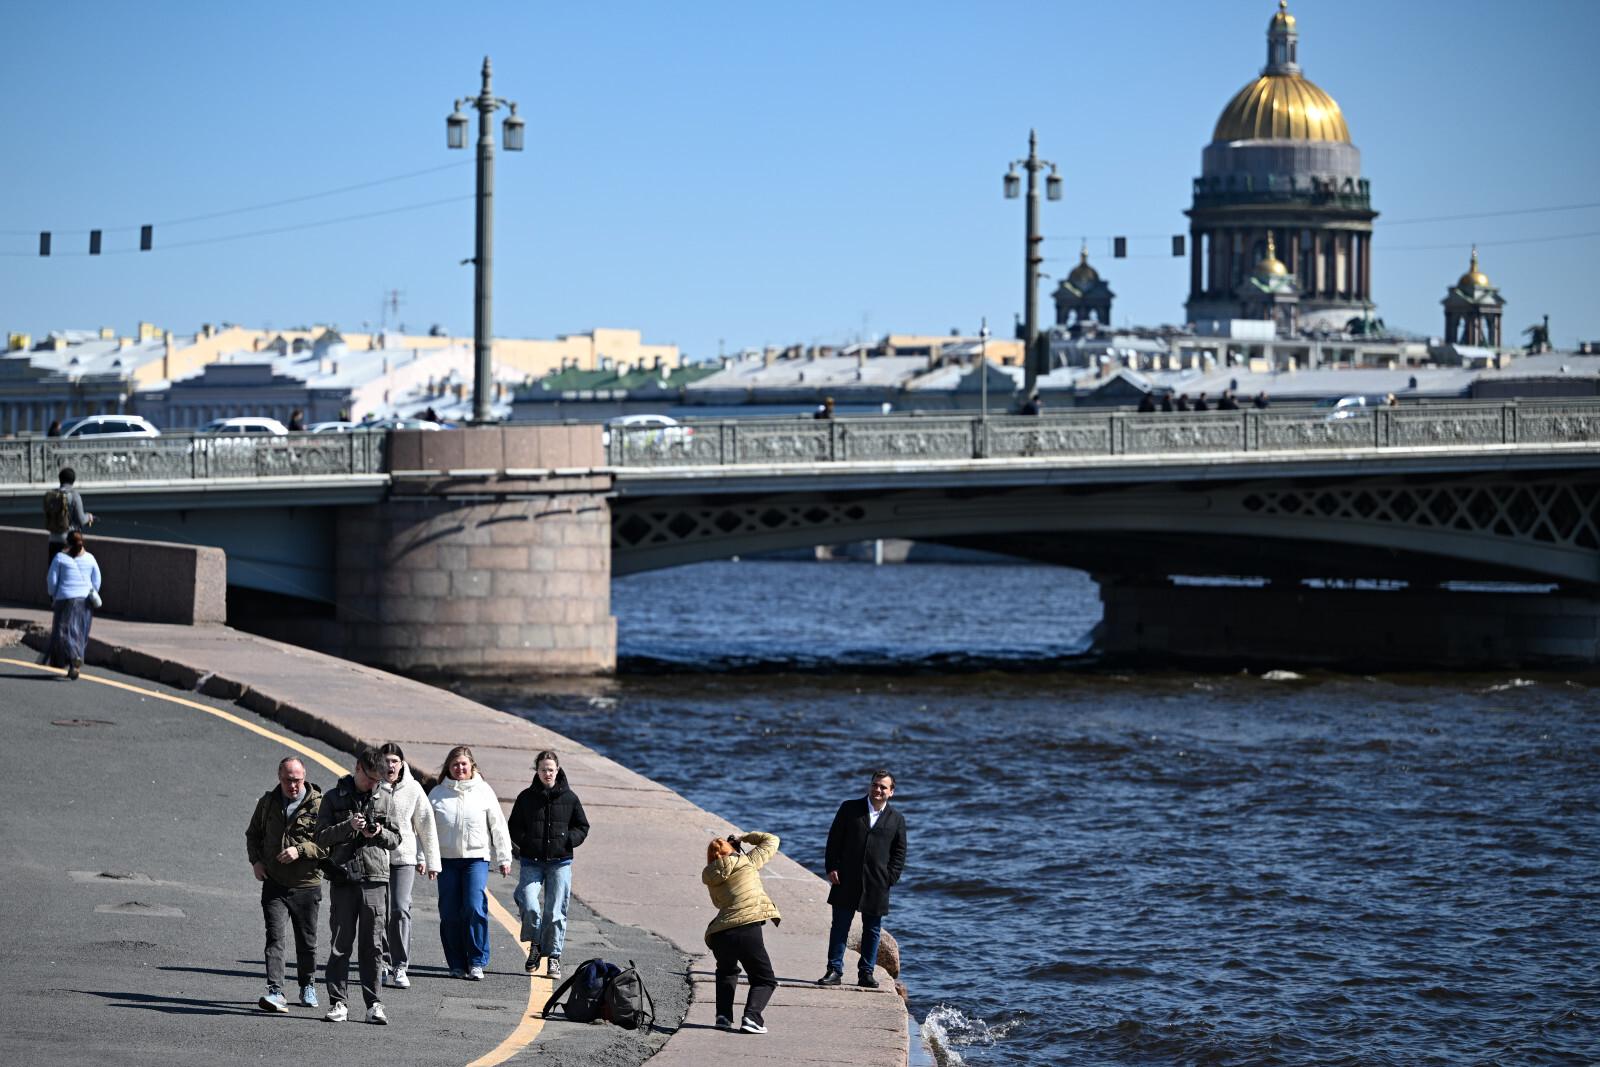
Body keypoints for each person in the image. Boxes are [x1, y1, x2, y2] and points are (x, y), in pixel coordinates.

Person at [314, 747, 400, 1025]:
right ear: (358, 768)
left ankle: (374, 1003)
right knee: (340, 944)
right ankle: (338, 1001)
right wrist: (348, 826)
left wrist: (377, 833)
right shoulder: (332, 797)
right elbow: (320, 838)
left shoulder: (385, 798)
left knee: (373, 946)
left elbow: (396, 838)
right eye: (370, 779)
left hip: (375, 877)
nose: (374, 785)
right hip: (343, 877)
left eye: (378, 781)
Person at [245, 757, 325, 1013]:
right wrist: (256, 862)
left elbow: (328, 844)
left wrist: (300, 850)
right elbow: (253, 834)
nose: (293, 785)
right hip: (274, 884)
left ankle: (307, 984)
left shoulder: (320, 805)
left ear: (305, 776)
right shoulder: (268, 803)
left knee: (306, 942)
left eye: (297, 780)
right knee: (275, 938)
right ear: (279, 777)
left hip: (307, 885)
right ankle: (276, 991)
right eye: (288, 780)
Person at [429, 745, 512, 981]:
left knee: (474, 907)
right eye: (455, 765)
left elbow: (498, 826)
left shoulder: (484, 791)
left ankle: (476, 961)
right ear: (448, 767)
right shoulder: (437, 793)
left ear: (472, 766)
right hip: (446, 861)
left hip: (476, 859)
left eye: (464, 764)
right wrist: (424, 858)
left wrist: (504, 857)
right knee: (449, 912)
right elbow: (424, 830)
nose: (459, 768)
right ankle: (456, 963)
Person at [818, 770, 907, 989]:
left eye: (883, 787)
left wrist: (890, 877)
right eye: (875, 785)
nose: (878, 790)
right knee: (840, 926)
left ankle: (866, 973)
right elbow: (834, 841)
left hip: (877, 882)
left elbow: (899, 852)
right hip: (846, 877)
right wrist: (832, 867)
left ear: (891, 792)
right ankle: (834, 970)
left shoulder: (896, 819)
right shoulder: (849, 808)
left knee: (872, 929)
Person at [508, 750, 590, 982]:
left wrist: (568, 840)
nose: (547, 774)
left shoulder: (570, 798)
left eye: (551, 770)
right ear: (537, 771)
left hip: (560, 862)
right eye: (543, 769)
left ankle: (553, 956)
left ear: (558, 770)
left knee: (555, 912)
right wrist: (526, 842)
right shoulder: (525, 797)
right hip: (531, 861)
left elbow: (582, 826)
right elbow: (514, 826)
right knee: (529, 902)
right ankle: (536, 943)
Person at [703, 831, 782, 1035]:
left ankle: (723, 1017)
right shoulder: (747, 862)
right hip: (747, 928)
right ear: (732, 850)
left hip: (720, 932)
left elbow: (718, 903)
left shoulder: (711, 875)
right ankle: (751, 1018)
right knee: (765, 980)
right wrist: (743, 838)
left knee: (726, 971)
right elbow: (772, 841)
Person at [378, 742, 438, 991]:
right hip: (376, 857)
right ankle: (381, 963)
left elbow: (425, 824)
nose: (390, 765)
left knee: (400, 910)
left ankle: (400, 965)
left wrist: (430, 860)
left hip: (403, 858)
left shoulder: (413, 789)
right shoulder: (372, 785)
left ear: (402, 764)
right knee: (378, 911)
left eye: (395, 761)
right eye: (386, 761)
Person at [45, 530, 99, 679]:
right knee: (80, 634)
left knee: (62, 632)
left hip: (65, 599)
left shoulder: (60, 558)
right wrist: (91, 592)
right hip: (85, 601)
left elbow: (52, 581)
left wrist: (53, 595)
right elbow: (97, 581)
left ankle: (72, 657)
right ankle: (75, 663)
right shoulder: (90, 558)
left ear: (67, 543)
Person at [42, 467, 94, 575]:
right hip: (68, 542)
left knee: (54, 574)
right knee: (68, 574)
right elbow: (81, 519)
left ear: (60, 479)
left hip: (53, 539)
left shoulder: (52, 495)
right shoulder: (74, 495)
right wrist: (89, 517)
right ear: (73, 480)